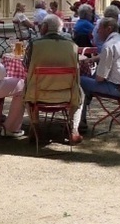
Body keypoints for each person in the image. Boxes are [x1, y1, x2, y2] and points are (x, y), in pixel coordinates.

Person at [24, 14, 83, 145]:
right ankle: (73, 130)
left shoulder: (34, 44)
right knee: (80, 92)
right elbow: (77, 68)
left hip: (37, 94)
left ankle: (35, 127)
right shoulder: (72, 45)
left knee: (25, 87)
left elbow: (26, 65)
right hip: (67, 95)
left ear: (44, 27)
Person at [77, 17, 120, 134]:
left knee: (80, 80)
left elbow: (100, 78)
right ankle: (84, 107)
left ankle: (81, 121)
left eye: (99, 28)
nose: (97, 32)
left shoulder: (109, 45)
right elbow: (112, 55)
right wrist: (94, 59)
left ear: (108, 29)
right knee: (88, 82)